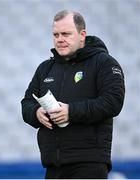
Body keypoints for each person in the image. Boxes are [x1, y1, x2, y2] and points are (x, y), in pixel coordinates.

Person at [21, 10, 125, 179]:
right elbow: (26, 102)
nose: (59, 39)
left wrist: (71, 111)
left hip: (89, 164)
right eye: (55, 34)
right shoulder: (45, 68)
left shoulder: (104, 63)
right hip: (53, 165)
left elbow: (113, 102)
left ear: (82, 34)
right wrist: (36, 113)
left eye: (66, 34)